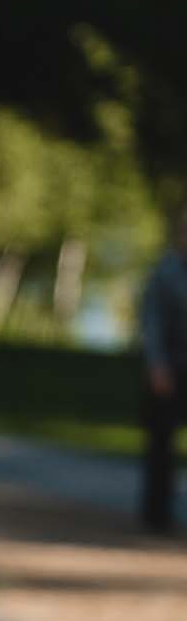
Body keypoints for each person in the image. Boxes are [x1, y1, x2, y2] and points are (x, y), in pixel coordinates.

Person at [138, 209, 187, 533]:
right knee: (161, 445)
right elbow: (152, 322)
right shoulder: (165, 273)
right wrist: (157, 365)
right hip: (170, 368)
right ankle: (157, 516)